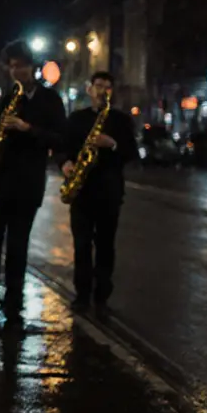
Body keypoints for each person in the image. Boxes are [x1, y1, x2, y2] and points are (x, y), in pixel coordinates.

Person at [0, 40, 66, 321]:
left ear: (32, 67)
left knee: (17, 246)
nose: (17, 72)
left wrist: (28, 129)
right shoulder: (3, 99)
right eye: (12, 66)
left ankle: (13, 305)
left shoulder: (50, 100)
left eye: (22, 66)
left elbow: (60, 138)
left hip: (27, 183)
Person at [60, 71, 137, 313]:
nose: (102, 90)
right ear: (89, 89)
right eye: (98, 86)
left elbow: (131, 153)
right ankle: (82, 294)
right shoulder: (76, 119)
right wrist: (66, 163)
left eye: (107, 87)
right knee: (81, 245)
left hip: (108, 191)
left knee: (105, 245)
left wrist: (112, 144)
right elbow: (62, 148)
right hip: (82, 191)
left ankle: (102, 295)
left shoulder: (121, 121)